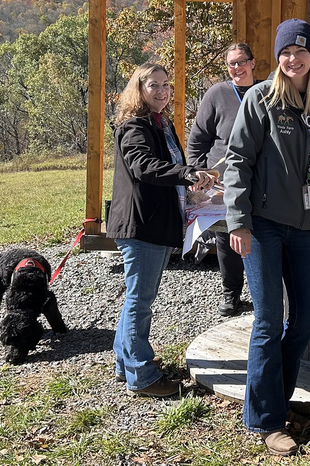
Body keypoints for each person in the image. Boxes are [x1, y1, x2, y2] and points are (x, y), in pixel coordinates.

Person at [223, 19, 310, 457]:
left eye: (301, 51)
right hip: (264, 223)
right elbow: (236, 160)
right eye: (285, 53)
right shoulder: (260, 99)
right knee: (269, 320)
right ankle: (266, 420)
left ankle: (279, 398)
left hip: (305, 226)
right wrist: (238, 221)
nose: (293, 59)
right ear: (276, 59)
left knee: (307, 317)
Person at [106, 62, 216, 397]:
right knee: (140, 301)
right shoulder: (135, 126)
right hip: (142, 225)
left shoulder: (160, 124)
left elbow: (168, 172)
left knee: (136, 299)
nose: (162, 90)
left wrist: (192, 185)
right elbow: (144, 167)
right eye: (153, 84)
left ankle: (126, 364)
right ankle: (143, 377)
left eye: (166, 84)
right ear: (137, 89)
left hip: (152, 222)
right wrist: (186, 174)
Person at [187, 42, 259, 316]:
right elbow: (197, 140)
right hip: (223, 181)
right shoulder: (217, 93)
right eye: (232, 64)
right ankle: (231, 294)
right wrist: (197, 174)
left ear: (253, 62)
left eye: (242, 61)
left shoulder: (266, 91)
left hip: (260, 180)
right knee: (228, 236)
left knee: (262, 235)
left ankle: (264, 292)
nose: (237, 68)